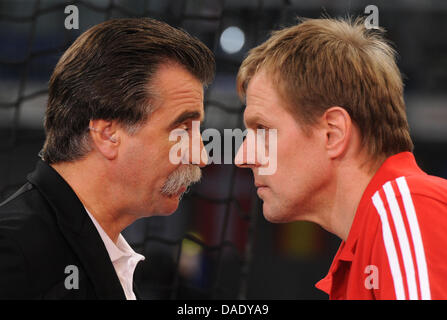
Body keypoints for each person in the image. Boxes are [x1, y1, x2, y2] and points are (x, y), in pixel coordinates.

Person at [0, 18, 214, 299]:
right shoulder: (12, 253)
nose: (202, 155)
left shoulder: (107, 258)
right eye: (182, 129)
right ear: (107, 135)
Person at [235, 17, 447, 299]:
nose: (242, 156)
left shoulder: (407, 207)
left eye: (262, 129)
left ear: (333, 133)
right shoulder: (369, 243)